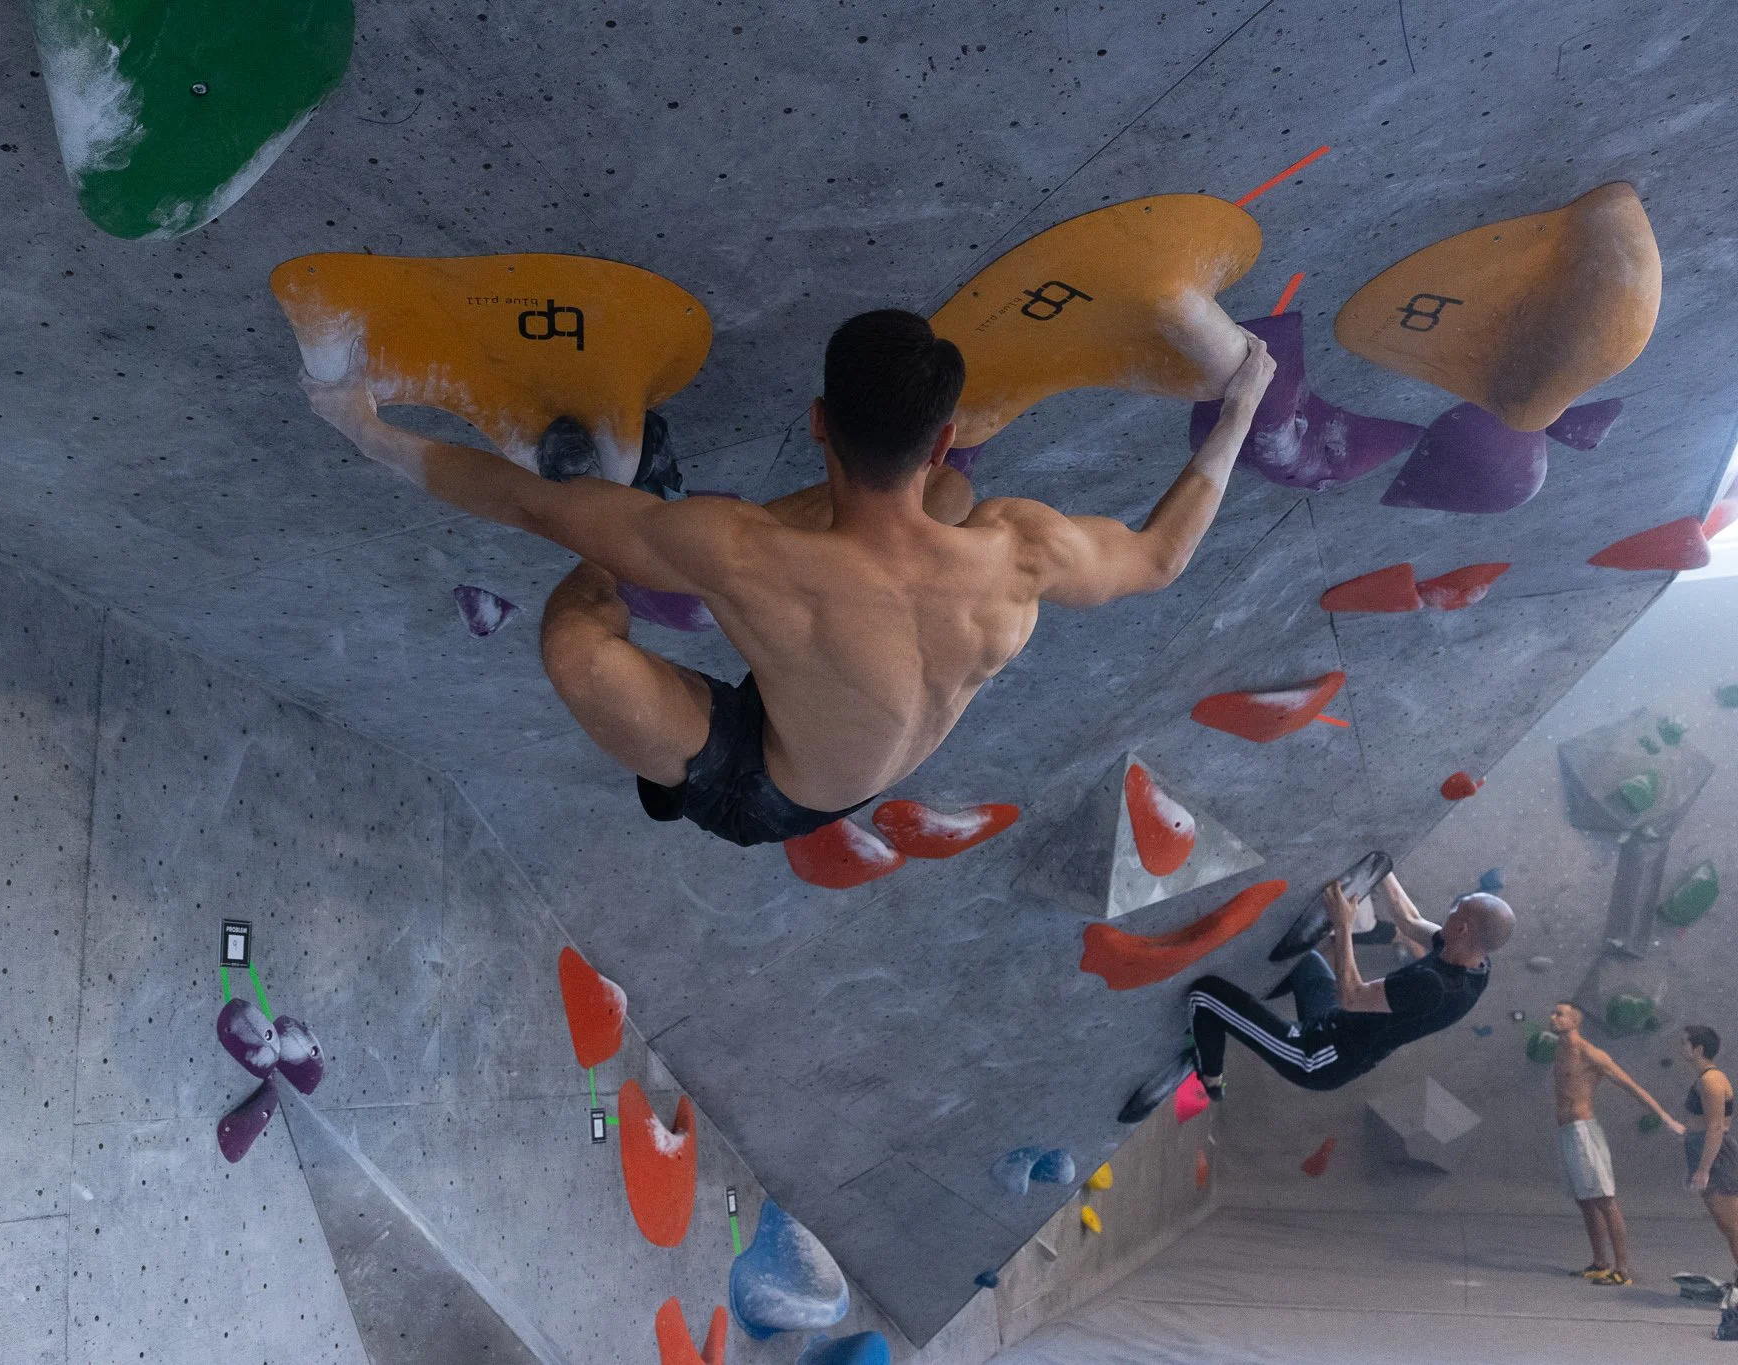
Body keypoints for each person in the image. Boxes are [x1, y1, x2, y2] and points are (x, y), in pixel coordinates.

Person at [302, 309, 1275, 847]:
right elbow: (1159, 555)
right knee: (938, 508)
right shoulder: (1020, 549)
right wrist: (1236, 412)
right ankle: (656, 528)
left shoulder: (744, 553)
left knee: (575, 646)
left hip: (763, 787)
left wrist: (364, 424)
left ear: (816, 423)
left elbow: (526, 503)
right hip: (863, 720)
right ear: (941, 437)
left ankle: (637, 513)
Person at [1186, 872, 1512, 1096]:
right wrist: (1381, 868)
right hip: (1333, 1019)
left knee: (1204, 994)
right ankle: (1232, 1013)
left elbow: (1352, 997)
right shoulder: (1474, 961)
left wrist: (1343, 924)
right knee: (1304, 959)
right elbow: (1410, 920)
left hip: (1317, 1054)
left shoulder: (1433, 985)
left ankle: (1211, 1079)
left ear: (1463, 929)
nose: (1449, 911)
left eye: (1456, 910)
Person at [1547, 1000, 1685, 1286]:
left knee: (1605, 1199)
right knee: (1584, 1200)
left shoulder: (1591, 1053)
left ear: (1575, 1020)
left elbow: (1632, 1087)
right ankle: (1600, 1262)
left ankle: (1622, 1270)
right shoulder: (1559, 1051)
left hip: (1584, 1132)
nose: (1553, 1018)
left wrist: (1665, 1118)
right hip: (1566, 1132)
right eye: (1553, 1013)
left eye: (1560, 1014)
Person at [1681, 1024, 1738, 1288]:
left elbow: (1716, 1126)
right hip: (1704, 1150)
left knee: (1732, 1225)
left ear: (1699, 1049)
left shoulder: (1711, 1080)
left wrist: (1703, 1170)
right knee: (1728, 1225)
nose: (1682, 1048)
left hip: (1715, 1156)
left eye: (1685, 1043)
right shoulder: (1705, 1079)